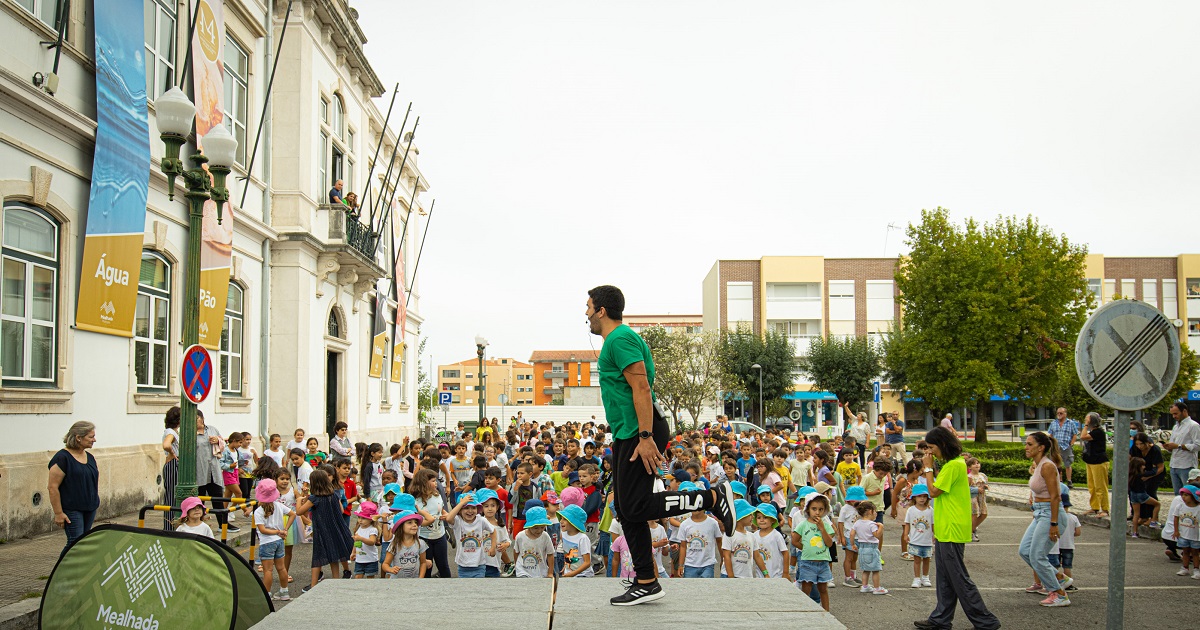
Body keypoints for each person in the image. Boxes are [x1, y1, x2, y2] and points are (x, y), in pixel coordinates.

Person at [586, 285, 735, 605]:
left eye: (588, 307)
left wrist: (645, 436)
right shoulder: (618, 340)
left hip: (640, 431)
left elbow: (640, 385)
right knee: (626, 509)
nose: (585, 314)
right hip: (630, 431)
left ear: (601, 310)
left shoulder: (620, 338)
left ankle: (712, 496)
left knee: (635, 507)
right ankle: (646, 581)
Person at [914, 427, 1001, 629]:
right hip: (947, 528)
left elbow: (933, 491)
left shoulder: (954, 465)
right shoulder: (953, 465)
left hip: (952, 528)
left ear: (943, 445)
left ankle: (986, 621)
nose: (930, 452)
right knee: (945, 578)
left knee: (959, 578)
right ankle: (940, 619)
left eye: (932, 447)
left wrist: (927, 468)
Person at [1018, 432, 1072, 606]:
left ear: (1041, 447)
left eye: (1029, 444)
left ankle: (1059, 594)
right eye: (1026, 444)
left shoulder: (1048, 466)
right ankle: (1058, 578)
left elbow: (1056, 496)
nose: (1026, 447)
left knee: (1037, 556)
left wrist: (1054, 523)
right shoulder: (1038, 464)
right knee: (1025, 551)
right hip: (1040, 513)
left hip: (1050, 513)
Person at [295, 469, 354, 593]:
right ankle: (336, 582)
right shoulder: (334, 495)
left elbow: (299, 512)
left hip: (321, 531)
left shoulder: (314, 498)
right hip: (336, 530)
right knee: (334, 557)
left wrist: (299, 501)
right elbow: (342, 511)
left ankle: (313, 584)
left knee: (317, 558)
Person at [47, 421, 99, 554]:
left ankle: (79, 573)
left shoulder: (90, 457)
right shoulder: (62, 458)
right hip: (72, 509)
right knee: (74, 542)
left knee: (83, 542)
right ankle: (61, 573)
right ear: (78, 437)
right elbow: (53, 487)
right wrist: (59, 513)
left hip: (90, 507)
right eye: (91, 437)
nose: (94, 440)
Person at [253, 479, 293, 601]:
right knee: (281, 568)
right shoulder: (278, 505)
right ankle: (284, 591)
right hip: (279, 541)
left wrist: (276, 531)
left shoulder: (259, 511)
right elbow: (293, 514)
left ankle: (267, 594)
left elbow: (262, 530)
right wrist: (284, 529)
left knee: (268, 570)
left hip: (266, 542)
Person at [194, 411, 233, 532]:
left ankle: (223, 524)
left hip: (213, 470)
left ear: (202, 418)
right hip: (199, 470)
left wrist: (218, 441)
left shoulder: (212, 429)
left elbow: (223, 445)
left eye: (197, 418)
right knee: (199, 499)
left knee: (217, 498)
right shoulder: (190, 433)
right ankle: (197, 525)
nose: (196, 421)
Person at [382, 495, 430, 578]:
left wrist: (420, 578)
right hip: (397, 583)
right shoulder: (394, 545)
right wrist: (390, 569)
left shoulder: (420, 543)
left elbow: (423, 563)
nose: (415, 525)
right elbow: (385, 564)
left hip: (414, 582)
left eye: (415, 522)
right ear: (400, 526)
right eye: (409, 523)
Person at [1079, 412, 1110, 517]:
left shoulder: (1098, 432)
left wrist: (1086, 425)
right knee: (1092, 486)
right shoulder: (1093, 432)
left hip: (1099, 462)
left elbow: (1083, 436)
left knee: (1100, 487)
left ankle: (1105, 509)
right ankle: (1095, 507)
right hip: (1091, 461)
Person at [1164, 402, 1200, 494]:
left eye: (1176, 413)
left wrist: (1179, 446)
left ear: (1184, 411)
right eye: (1172, 414)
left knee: (1189, 493)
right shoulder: (1175, 427)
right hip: (1174, 465)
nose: (1174, 416)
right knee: (1178, 495)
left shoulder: (1193, 426)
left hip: (1186, 465)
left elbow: (1197, 446)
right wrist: (1169, 447)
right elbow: (1173, 444)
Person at [511, 506, 556, 578]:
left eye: (542, 527)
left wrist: (550, 572)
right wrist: (517, 566)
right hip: (523, 570)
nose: (539, 530)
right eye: (535, 528)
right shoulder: (520, 536)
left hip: (540, 571)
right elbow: (516, 552)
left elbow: (550, 554)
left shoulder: (545, 536)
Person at [904, 484, 934, 588]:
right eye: (919, 496)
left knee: (926, 559)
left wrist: (935, 535)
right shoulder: (911, 510)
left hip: (927, 540)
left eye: (924, 496)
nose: (922, 498)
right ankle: (916, 578)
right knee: (916, 560)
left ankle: (925, 577)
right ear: (914, 498)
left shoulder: (930, 510)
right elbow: (907, 523)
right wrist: (905, 534)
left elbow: (933, 524)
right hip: (915, 539)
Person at [852, 502, 886, 594]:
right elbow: (877, 535)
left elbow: (852, 533)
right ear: (870, 511)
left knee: (866, 569)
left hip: (862, 548)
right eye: (875, 511)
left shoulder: (857, 523)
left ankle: (865, 586)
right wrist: (881, 527)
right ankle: (877, 588)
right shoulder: (872, 524)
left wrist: (852, 544)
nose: (876, 513)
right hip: (872, 548)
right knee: (875, 569)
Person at [1132, 433, 1165, 527]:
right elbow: (1130, 458)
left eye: (1141, 444)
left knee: (1150, 491)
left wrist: (1149, 476)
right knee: (1139, 493)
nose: (1139, 446)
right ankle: (1143, 516)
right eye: (1137, 444)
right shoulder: (1135, 449)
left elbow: (1160, 467)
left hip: (1155, 473)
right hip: (1142, 473)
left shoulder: (1154, 450)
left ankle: (1153, 518)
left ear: (1146, 443)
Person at [1048, 408, 1081, 489]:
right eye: (1058, 413)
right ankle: (1059, 480)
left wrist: (1071, 443)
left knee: (1068, 464)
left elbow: (1075, 434)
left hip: (1066, 446)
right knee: (1057, 464)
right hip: (1056, 447)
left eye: (1061, 413)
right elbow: (1050, 434)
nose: (1059, 414)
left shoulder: (1071, 423)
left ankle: (1069, 481)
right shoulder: (1053, 423)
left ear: (1065, 414)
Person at [161, 408, 181, 529]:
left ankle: (172, 525)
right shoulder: (171, 433)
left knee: (174, 496)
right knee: (171, 497)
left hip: (174, 463)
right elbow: (166, 444)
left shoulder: (173, 431)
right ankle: (168, 527)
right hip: (173, 464)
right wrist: (172, 453)